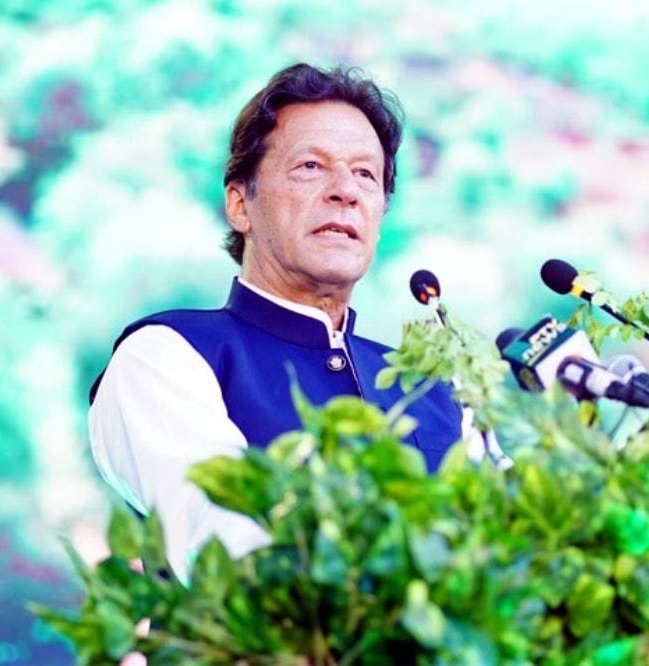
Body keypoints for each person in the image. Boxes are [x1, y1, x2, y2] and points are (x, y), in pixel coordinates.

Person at [88, 63, 463, 580]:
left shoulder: (434, 387)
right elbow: (227, 547)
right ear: (241, 205)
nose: (344, 191)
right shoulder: (169, 355)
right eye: (311, 166)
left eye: (365, 174)